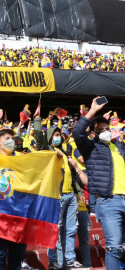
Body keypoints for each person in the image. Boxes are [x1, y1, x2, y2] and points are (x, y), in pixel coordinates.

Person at [73, 97, 125, 270]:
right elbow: (78, 133)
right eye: (101, 130)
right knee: (114, 246)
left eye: (108, 129)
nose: (106, 132)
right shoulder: (91, 148)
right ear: (93, 133)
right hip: (109, 201)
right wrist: (92, 111)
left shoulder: (119, 147)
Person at [33, 115, 85, 270]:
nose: (58, 137)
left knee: (70, 229)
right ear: (49, 138)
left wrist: (79, 192)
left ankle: (69, 260)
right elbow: (38, 136)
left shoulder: (66, 153)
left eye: (59, 135)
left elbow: (72, 175)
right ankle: (54, 261)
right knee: (56, 229)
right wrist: (37, 120)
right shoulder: (47, 151)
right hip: (57, 197)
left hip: (71, 196)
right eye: (55, 135)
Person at [0, 129, 28, 270]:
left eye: (13, 138)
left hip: (19, 214)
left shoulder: (21, 160)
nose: (11, 141)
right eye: (7, 138)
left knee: (17, 256)